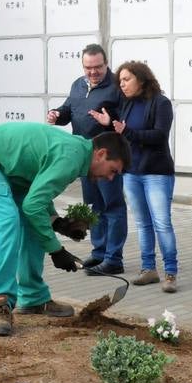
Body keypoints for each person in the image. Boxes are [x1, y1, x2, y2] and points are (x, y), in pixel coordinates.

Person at [0, 122, 131, 336]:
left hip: (10, 171)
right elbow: (33, 205)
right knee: (7, 221)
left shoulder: (76, 153)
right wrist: (56, 250)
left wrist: (58, 222)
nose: (111, 177)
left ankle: (33, 297)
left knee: (31, 225)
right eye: (113, 170)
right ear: (101, 154)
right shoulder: (72, 157)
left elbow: (38, 195)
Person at [90, 61, 179, 293]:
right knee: (142, 223)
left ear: (141, 78)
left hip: (157, 173)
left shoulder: (161, 103)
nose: (122, 85)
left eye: (127, 79)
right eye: (120, 81)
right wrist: (109, 124)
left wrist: (125, 131)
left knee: (162, 223)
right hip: (132, 173)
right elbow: (117, 126)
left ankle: (170, 273)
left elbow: (159, 135)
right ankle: (148, 268)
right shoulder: (127, 104)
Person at [45, 43, 129, 276]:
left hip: (107, 159)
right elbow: (69, 110)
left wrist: (109, 121)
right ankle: (99, 251)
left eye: (97, 67)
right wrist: (57, 115)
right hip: (84, 159)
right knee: (94, 208)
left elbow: (124, 120)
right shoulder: (78, 84)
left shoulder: (116, 87)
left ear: (106, 64)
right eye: (88, 67)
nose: (92, 72)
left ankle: (114, 258)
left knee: (113, 207)